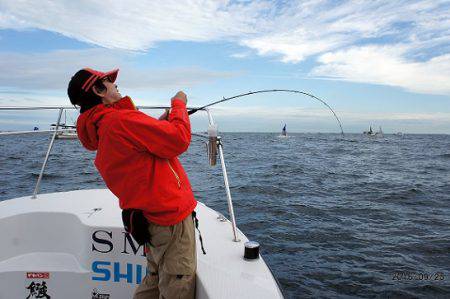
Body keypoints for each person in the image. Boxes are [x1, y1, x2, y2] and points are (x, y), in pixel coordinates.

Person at [67, 68, 197, 298]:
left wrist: (159, 124)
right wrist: (179, 104)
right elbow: (178, 139)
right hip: (169, 218)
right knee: (177, 282)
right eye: (109, 82)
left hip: (148, 219)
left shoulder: (103, 126)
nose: (116, 86)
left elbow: (135, 150)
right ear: (99, 90)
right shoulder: (120, 120)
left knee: (154, 278)